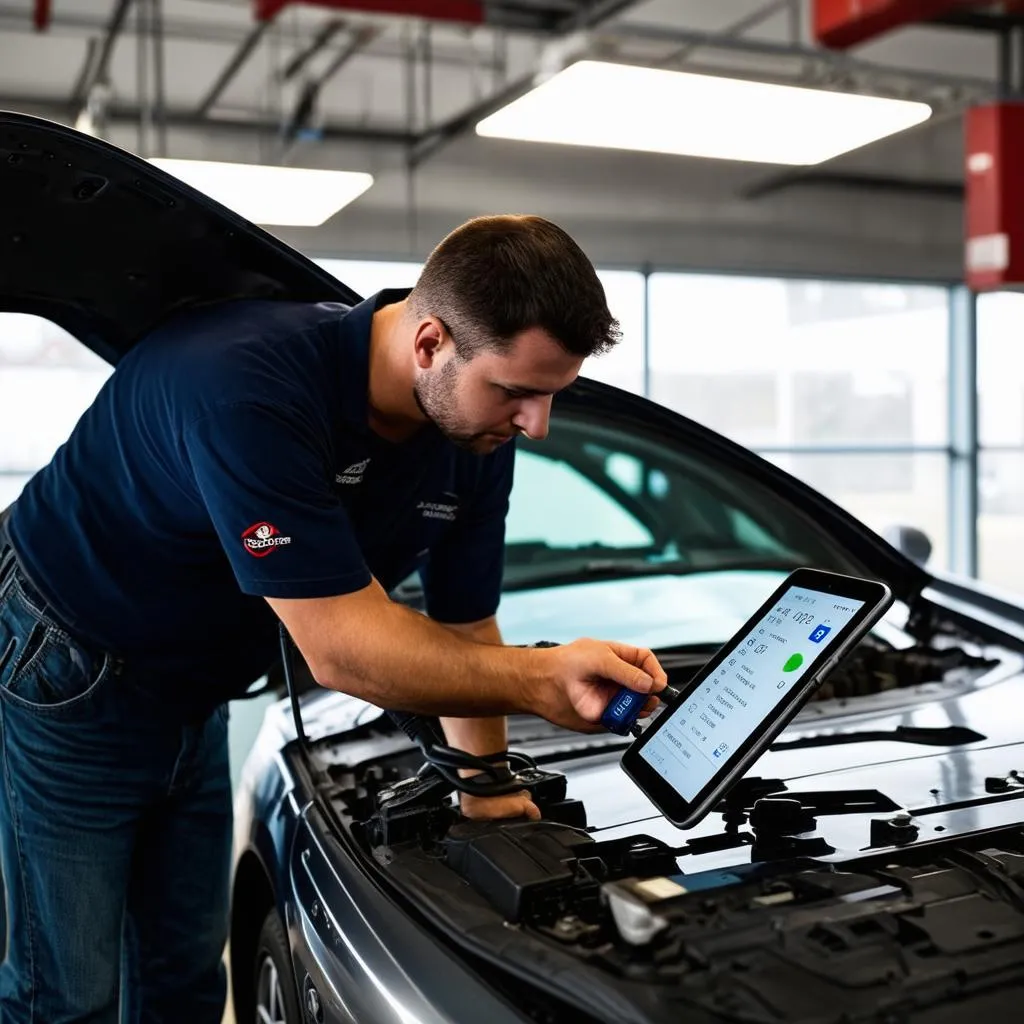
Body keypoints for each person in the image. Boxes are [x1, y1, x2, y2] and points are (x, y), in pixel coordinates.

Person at [0, 214, 666, 1022]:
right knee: (66, 993)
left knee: (181, 979)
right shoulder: (247, 386)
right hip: (69, 662)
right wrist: (541, 680)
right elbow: (345, 653)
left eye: (551, 395)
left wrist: (485, 789)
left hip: (192, 683)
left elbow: (464, 624)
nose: (536, 424)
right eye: (517, 391)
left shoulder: (474, 434)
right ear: (429, 344)